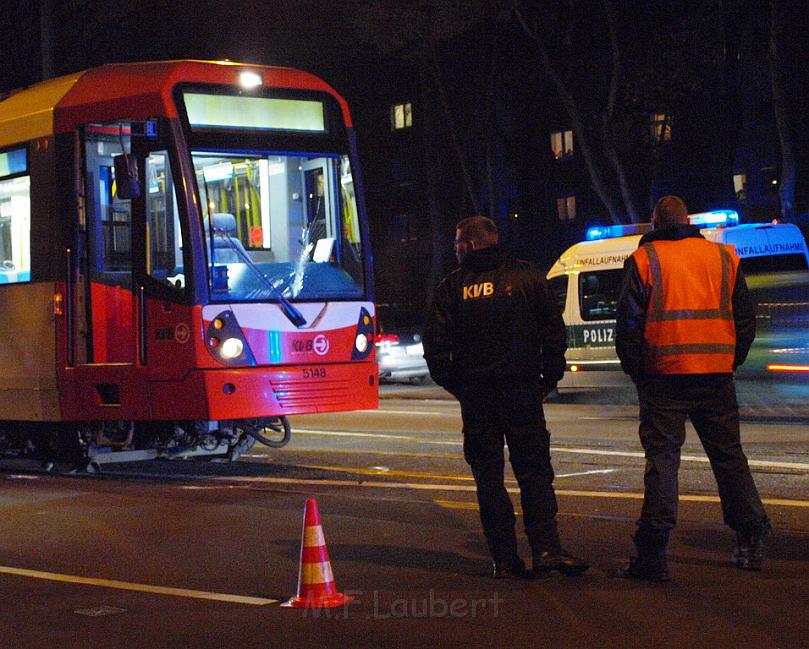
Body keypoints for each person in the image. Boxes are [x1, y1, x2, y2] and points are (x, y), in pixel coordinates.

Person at [423, 215, 588, 579]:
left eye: (456, 245)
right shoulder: (527, 276)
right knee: (535, 474)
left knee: (489, 480)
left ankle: (505, 557)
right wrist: (549, 377)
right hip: (523, 393)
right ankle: (546, 550)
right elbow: (552, 329)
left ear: (468, 244)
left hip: (479, 400)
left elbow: (435, 347)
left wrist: (461, 387)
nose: (455, 251)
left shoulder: (452, 287)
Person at [615, 195, 770, 582]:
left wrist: (640, 373)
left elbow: (628, 329)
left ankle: (653, 553)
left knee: (663, 463)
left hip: (663, 378)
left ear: (655, 224)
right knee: (729, 458)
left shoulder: (644, 260)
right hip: (715, 375)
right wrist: (728, 360)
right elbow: (745, 319)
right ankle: (751, 538)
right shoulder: (724, 257)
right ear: (688, 220)